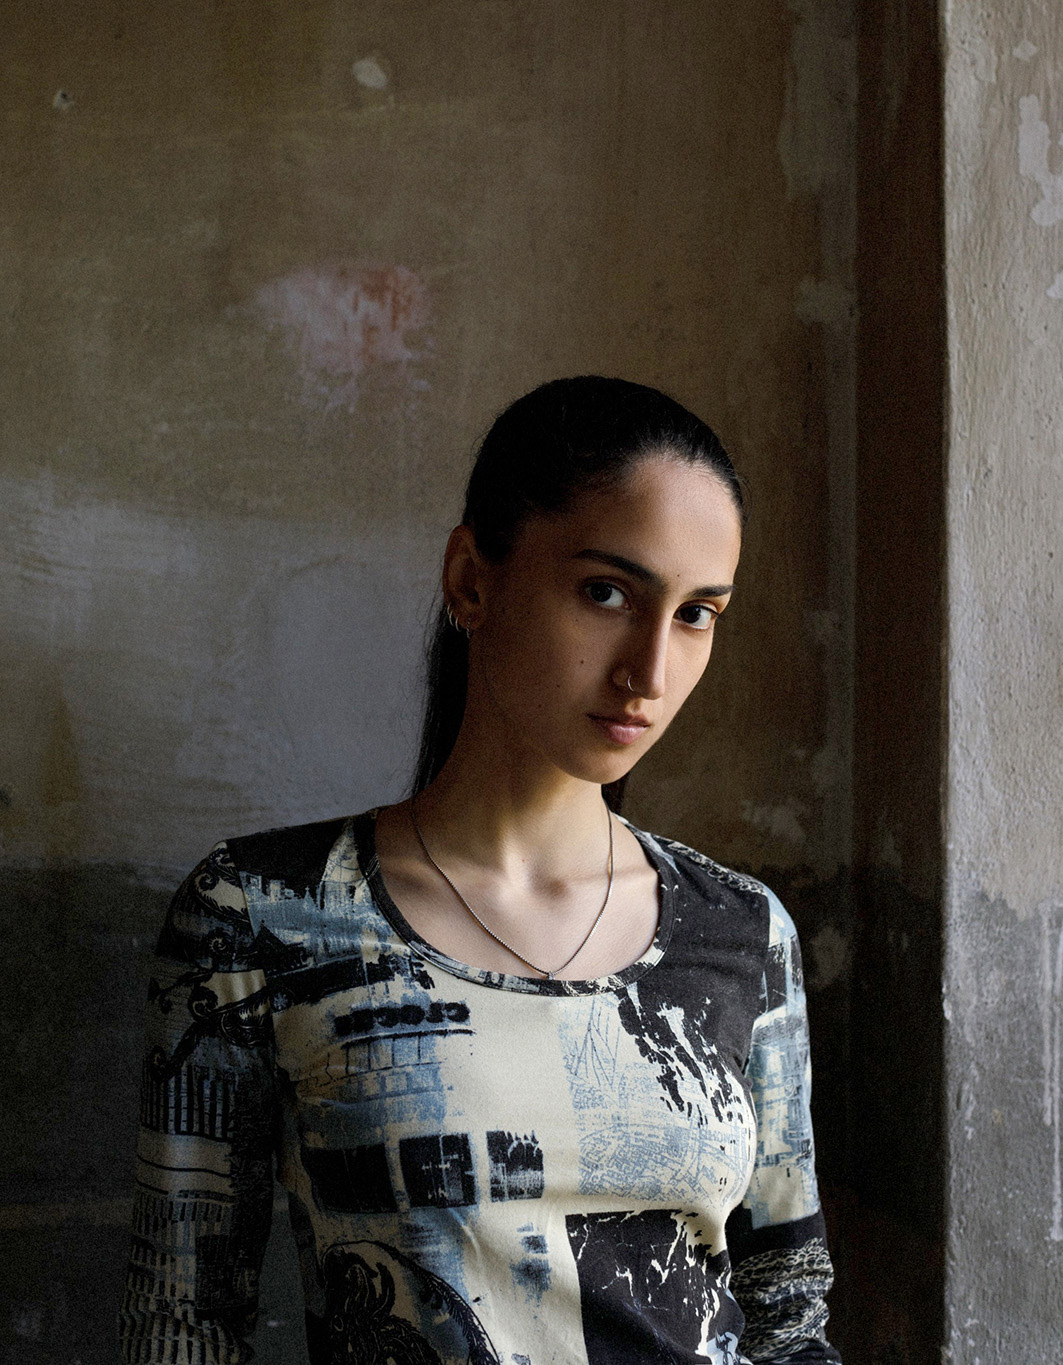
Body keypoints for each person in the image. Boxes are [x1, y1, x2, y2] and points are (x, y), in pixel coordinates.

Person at [118, 376, 841, 1364]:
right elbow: (183, 1327)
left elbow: (787, 1316)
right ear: (470, 578)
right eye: (607, 593)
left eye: (696, 613)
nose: (650, 671)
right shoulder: (262, 915)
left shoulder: (741, 933)